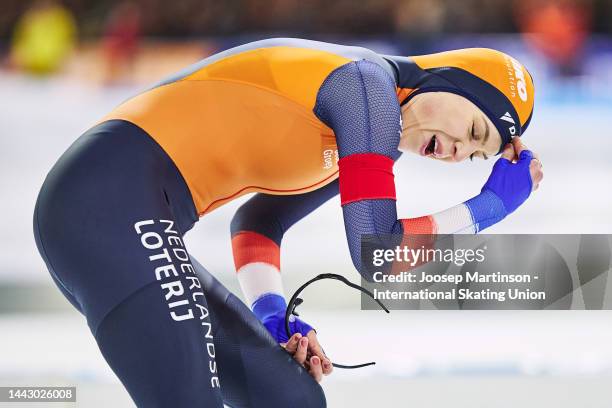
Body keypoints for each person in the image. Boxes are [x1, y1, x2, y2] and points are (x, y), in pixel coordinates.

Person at [33, 38, 541, 408]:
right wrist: (489, 206)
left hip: (130, 218)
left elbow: (257, 225)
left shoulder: (372, 130)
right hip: (103, 201)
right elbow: (377, 253)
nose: (459, 153)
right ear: (453, 80)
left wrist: (273, 317)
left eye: (476, 155)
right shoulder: (366, 92)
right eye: (474, 130)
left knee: (289, 397)